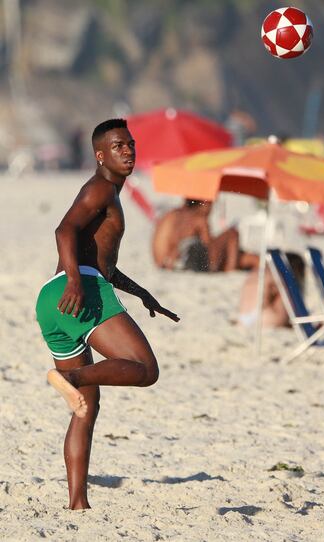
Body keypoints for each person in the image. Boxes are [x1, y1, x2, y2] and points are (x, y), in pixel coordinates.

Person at [35, 118, 179, 510]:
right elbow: (64, 231)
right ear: (101, 155)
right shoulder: (100, 188)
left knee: (85, 407)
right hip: (75, 291)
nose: (128, 152)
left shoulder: (110, 195)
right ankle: (70, 377)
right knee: (145, 369)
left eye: (130, 145)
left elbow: (105, 266)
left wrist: (143, 294)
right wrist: (76, 283)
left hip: (51, 301)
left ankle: (77, 505)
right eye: (118, 147)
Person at [152, 199, 259, 272]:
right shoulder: (198, 219)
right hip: (188, 264)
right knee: (232, 234)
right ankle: (231, 270)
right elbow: (212, 253)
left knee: (245, 257)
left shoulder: (172, 214)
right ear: (205, 203)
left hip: (162, 262)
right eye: (212, 203)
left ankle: (246, 263)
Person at [237, 252, 305, 328]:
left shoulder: (256, 272)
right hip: (265, 318)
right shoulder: (280, 276)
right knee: (287, 292)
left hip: (242, 319)